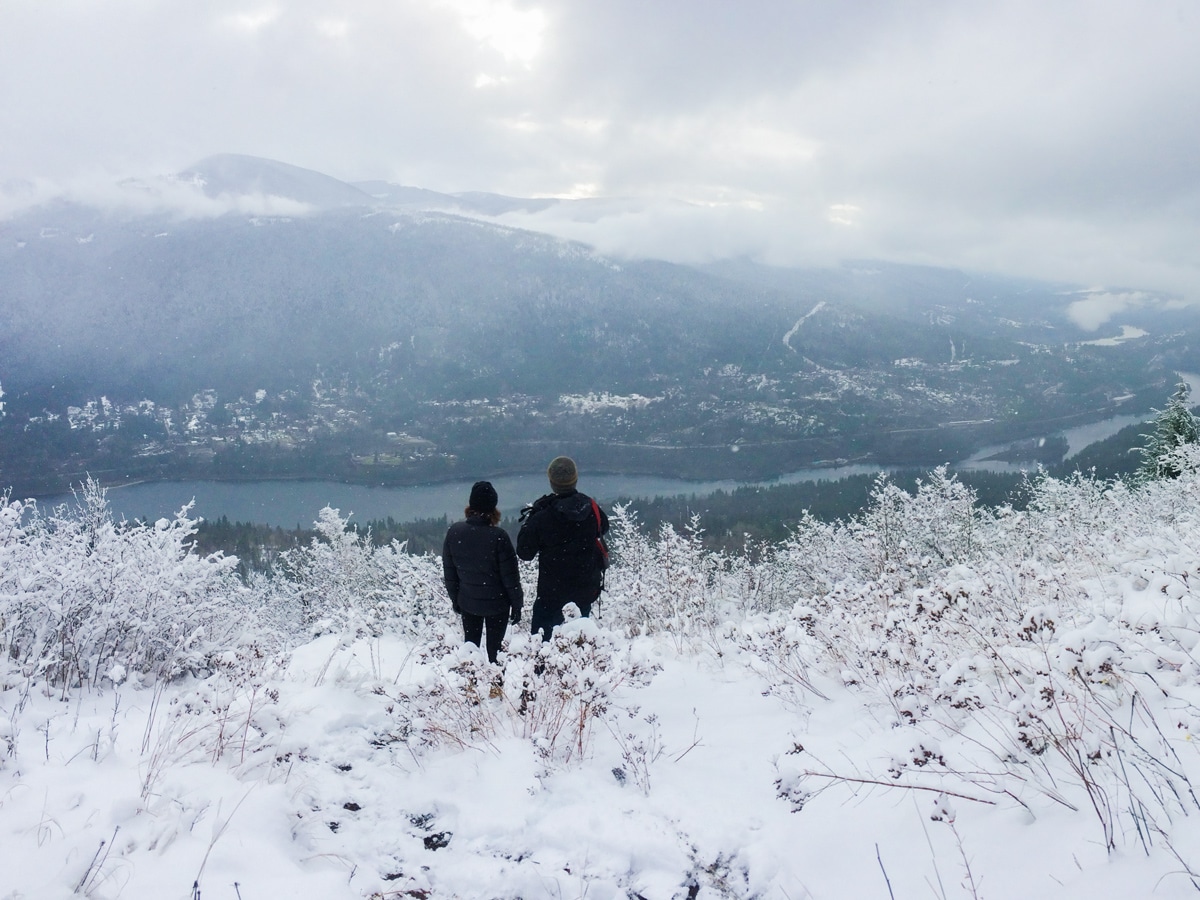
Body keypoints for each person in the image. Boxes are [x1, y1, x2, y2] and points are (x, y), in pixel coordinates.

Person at [517, 456, 609, 641]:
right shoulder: (591, 508)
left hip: (551, 595)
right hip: (584, 591)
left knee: (543, 647)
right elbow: (603, 528)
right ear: (575, 479)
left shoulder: (543, 516)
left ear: (552, 482)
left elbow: (524, 552)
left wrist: (534, 517)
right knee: (578, 646)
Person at [442, 481, 523, 663]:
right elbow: (511, 578)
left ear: (471, 505)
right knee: (496, 653)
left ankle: (471, 687)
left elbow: (450, 574)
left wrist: (456, 600)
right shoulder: (499, 537)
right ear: (493, 508)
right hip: (497, 605)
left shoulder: (454, 532)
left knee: (470, 649)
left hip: (468, 603)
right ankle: (496, 689)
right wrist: (517, 605)